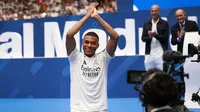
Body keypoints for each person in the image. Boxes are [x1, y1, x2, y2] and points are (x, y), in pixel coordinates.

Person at [66, 2, 119, 112]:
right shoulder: (75, 57)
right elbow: (69, 35)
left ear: (98, 45)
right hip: (78, 109)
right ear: (82, 43)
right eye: (86, 42)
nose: (89, 45)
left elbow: (115, 36)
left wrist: (96, 17)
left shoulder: (104, 58)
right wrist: (87, 16)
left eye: (93, 43)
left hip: (100, 109)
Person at [141, 4, 169, 70]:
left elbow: (165, 38)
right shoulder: (146, 23)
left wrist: (155, 35)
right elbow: (143, 38)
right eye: (152, 11)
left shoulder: (164, 23)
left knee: (162, 74)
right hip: (149, 53)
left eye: (155, 11)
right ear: (150, 12)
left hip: (161, 53)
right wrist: (150, 37)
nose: (154, 13)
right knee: (149, 75)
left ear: (159, 11)